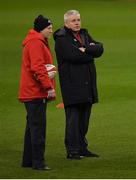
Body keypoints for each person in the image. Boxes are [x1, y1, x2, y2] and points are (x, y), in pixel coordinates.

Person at [53, 10, 104, 159]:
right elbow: (74, 56)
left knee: (84, 120)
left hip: (87, 85)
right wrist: (90, 53)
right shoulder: (62, 39)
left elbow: (100, 49)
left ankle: (82, 147)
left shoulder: (84, 34)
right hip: (72, 86)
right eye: (73, 20)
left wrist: (86, 49)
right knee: (73, 120)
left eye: (78, 20)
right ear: (66, 23)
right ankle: (72, 150)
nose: (77, 23)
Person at [18, 15, 56, 170]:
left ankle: (28, 161)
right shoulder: (35, 43)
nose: (51, 31)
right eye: (49, 28)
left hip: (31, 92)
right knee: (38, 129)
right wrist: (49, 87)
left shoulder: (35, 41)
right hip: (35, 93)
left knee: (32, 128)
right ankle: (38, 163)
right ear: (41, 29)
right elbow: (38, 68)